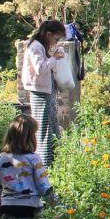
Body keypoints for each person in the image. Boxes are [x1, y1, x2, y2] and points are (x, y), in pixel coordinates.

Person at [0, 114, 53, 219]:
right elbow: (44, 187)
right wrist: (56, 205)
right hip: (31, 208)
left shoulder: (1, 158)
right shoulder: (34, 159)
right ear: (30, 137)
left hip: (7, 208)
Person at [21, 20, 66, 167]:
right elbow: (40, 68)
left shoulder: (40, 46)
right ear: (48, 34)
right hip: (40, 93)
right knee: (44, 131)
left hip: (46, 92)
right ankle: (44, 166)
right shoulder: (35, 46)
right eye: (56, 38)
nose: (55, 42)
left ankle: (54, 162)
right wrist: (54, 58)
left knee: (52, 127)